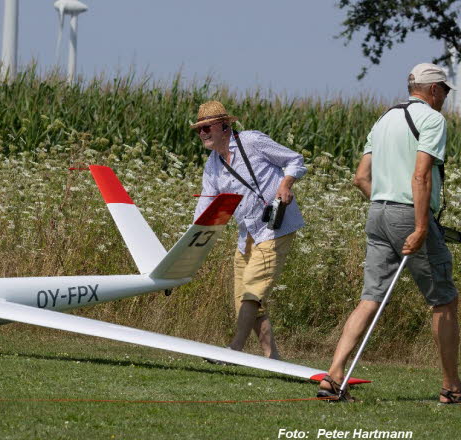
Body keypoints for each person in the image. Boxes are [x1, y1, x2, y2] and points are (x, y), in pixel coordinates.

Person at [318, 63, 461, 403]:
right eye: (445, 91)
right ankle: (451, 387)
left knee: (369, 298)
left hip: (377, 212)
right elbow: (421, 176)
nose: (445, 98)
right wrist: (421, 225)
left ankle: (333, 376)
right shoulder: (432, 119)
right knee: (444, 300)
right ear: (434, 90)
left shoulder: (383, 119)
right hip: (408, 215)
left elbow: (360, 178)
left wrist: (387, 206)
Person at [192, 100, 307, 360]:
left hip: (274, 229)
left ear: (224, 126)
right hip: (246, 235)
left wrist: (286, 184)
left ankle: (234, 350)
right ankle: (272, 357)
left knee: (252, 291)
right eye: (199, 130)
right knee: (244, 299)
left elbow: (295, 160)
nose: (202, 134)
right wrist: (192, 238)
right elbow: (206, 204)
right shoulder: (212, 164)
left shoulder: (252, 141)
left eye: (207, 127)